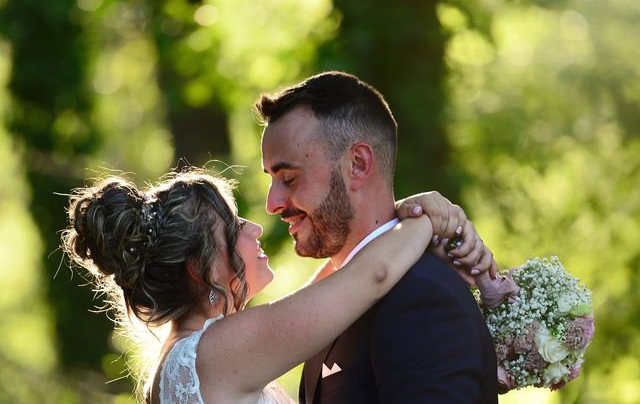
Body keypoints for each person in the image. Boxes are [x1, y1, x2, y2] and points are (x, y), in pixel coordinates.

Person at [61, 169, 492, 403]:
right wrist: (429, 217)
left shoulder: (192, 356)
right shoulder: (213, 353)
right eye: (232, 228)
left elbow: (337, 285)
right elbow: (370, 276)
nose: (253, 228)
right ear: (199, 270)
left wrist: (391, 216)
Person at [256, 71, 498, 403]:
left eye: (289, 177)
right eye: (271, 179)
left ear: (358, 164)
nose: (273, 203)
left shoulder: (422, 297)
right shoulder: (331, 303)